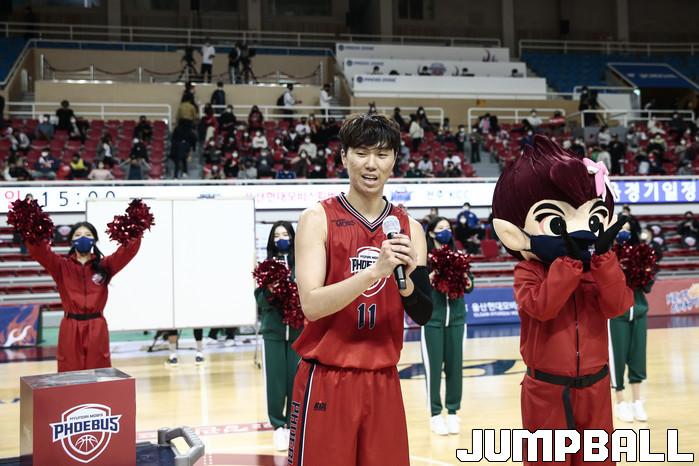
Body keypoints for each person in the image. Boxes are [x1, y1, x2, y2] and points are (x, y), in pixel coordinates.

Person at [288, 114, 433, 466]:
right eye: (362, 153)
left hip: (383, 379)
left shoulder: (410, 228)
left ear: (394, 161)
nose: (372, 164)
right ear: (344, 157)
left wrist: (406, 282)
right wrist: (375, 272)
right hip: (327, 377)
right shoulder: (317, 219)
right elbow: (311, 305)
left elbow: (424, 312)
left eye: (382, 155)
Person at [491, 135, 633, 465]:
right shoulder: (528, 271)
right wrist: (568, 264)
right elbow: (542, 308)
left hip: (596, 385)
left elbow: (618, 305)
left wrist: (605, 261)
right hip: (546, 389)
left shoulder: (600, 268)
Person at [13, 208, 145, 372]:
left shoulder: (105, 265)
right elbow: (38, 250)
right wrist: (30, 226)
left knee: (99, 373)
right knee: (69, 372)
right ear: (71, 240)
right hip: (70, 326)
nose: (83, 238)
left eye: (88, 234)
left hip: (97, 326)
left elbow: (128, 251)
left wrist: (135, 227)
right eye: (78, 235)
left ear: (94, 240)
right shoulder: (60, 265)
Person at [423, 216, 474, 435]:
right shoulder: (423, 258)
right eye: (441, 228)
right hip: (432, 321)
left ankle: (453, 412)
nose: (446, 231)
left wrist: (465, 278)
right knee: (433, 370)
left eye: (448, 228)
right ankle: (435, 415)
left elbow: (470, 285)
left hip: (456, 320)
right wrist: (432, 275)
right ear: (431, 232)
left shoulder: (458, 255)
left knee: (455, 368)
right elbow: (418, 286)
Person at [255, 221, 303, 451]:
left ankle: (293, 426)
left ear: (293, 237)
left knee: (295, 379)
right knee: (275, 382)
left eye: (285, 234)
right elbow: (260, 301)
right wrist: (270, 290)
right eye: (277, 235)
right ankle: (277, 426)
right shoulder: (266, 266)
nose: (281, 238)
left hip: (297, 332)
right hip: (273, 332)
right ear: (271, 240)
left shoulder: (302, 264)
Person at [609, 223, 655, 424]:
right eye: (620, 229)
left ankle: (637, 401)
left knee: (638, 357)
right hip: (616, 314)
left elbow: (648, 285)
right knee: (617, 359)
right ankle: (620, 402)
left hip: (639, 312)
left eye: (627, 229)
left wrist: (644, 270)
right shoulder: (608, 255)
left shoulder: (641, 254)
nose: (624, 233)